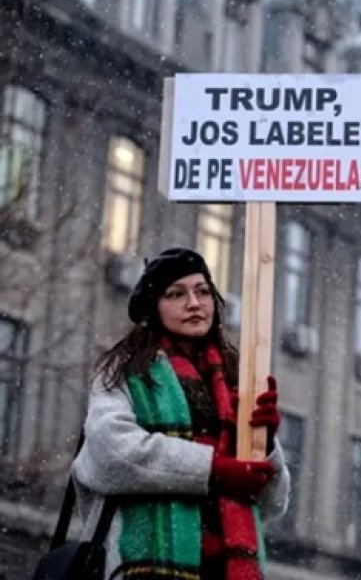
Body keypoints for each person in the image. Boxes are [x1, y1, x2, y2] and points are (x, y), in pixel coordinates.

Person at [73, 248, 290, 580]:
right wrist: (214, 469)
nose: (194, 303)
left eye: (203, 292)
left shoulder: (239, 379)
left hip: (224, 570)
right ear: (153, 308)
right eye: (176, 294)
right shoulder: (122, 370)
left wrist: (267, 444)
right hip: (142, 567)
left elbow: (273, 505)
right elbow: (111, 453)